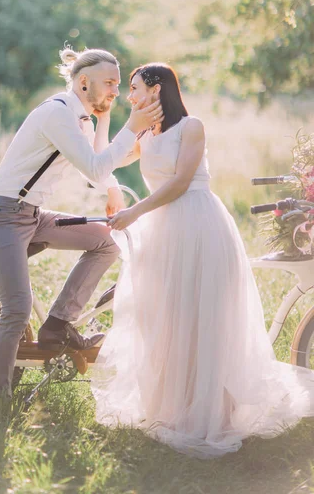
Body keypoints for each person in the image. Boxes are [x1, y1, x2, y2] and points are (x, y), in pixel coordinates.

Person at [91, 62, 314, 459]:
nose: (130, 95)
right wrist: (110, 118)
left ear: (157, 88)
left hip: (198, 225)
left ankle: (215, 413)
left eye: (135, 87)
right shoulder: (145, 131)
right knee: (164, 318)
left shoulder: (191, 127)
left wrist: (134, 213)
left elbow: (179, 183)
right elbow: (103, 161)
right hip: (163, 233)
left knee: (202, 317)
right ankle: (173, 409)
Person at [0, 48, 163, 402]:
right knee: (17, 308)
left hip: (31, 215)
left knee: (106, 241)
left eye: (117, 84)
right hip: (2, 214)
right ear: (83, 82)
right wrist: (131, 127)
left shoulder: (82, 119)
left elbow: (99, 166)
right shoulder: (57, 113)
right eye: (109, 83)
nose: (115, 92)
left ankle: (58, 324)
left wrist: (114, 175)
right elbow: (94, 167)